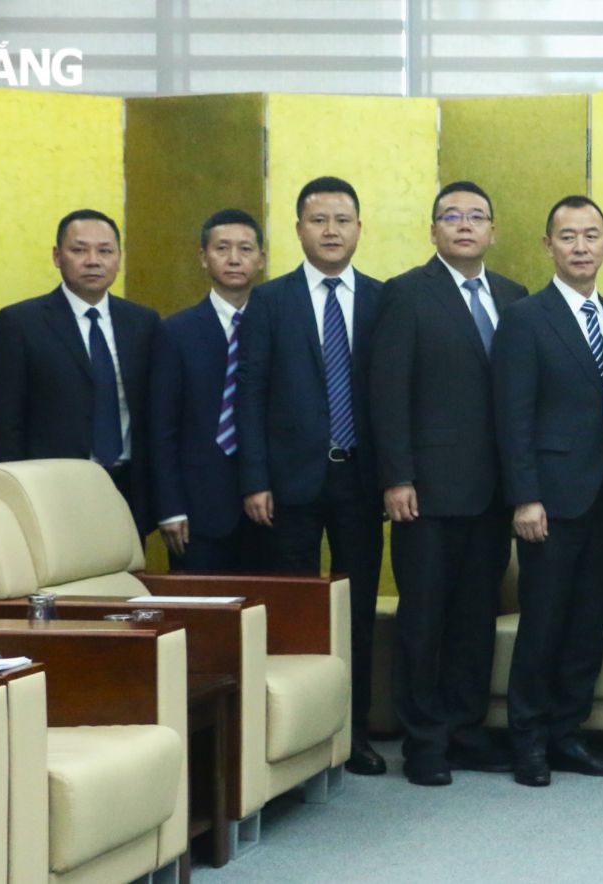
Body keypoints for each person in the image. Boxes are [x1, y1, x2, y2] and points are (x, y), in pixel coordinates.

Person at [369, 181, 525, 786]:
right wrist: (397, 477)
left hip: (493, 495)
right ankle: (424, 740)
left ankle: (464, 730)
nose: (465, 225)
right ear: (433, 229)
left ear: (493, 231)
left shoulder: (514, 297)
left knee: (474, 617)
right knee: (425, 618)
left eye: (477, 216)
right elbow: (388, 392)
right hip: (426, 493)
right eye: (451, 216)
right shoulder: (406, 294)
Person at [237, 175, 389, 776]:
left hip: (361, 478)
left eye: (342, 219)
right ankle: (299, 739)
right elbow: (249, 395)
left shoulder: (383, 299)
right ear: (298, 229)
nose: (331, 231)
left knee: (356, 610)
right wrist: (254, 479)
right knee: (297, 612)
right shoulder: (270, 301)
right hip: (289, 484)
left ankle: (354, 734)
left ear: (358, 227)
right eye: (319, 220)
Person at [493, 195, 603, 787]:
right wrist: (525, 496)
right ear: (549, 245)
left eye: (591, 235)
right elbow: (512, 415)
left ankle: (569, 733)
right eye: (567, 236)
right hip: (548, 498)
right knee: (543, 621)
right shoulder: (526, 316)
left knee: (588, 621)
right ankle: (528, 740)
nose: (580, 246)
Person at [0, 208, 160, 535]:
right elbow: (4, 422)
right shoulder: (20, 323)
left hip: (129, 487)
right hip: (52, 489)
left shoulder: (143, 322)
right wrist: (17, 493)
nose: (93, 260)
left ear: (119, 257)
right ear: (56, 256)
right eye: (79, 250)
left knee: (128, 579)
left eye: (105, 250)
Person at [150, 208, 268, 571]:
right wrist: (170, 507)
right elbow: (161, 427)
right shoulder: (175, 332)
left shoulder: (278, 325)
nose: (234, 258)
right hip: (197, 509)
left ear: (261, 259)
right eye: (222, 248)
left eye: (246, 249)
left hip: (269, 507)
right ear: (203, 258)